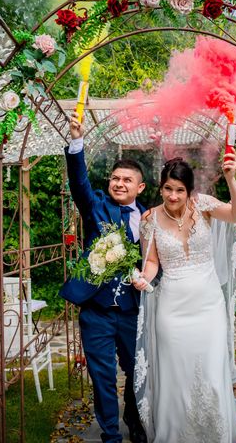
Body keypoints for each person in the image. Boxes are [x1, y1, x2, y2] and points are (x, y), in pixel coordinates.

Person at [132, 155, 236, 442]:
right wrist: (142, 278)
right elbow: (152, 262)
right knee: (177, 376)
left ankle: (215, 434)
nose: (173, 195)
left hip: (208, 307)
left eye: (180, 190)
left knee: (209, 373)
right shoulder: (149, 219)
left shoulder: (204, 206)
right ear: (160, 188)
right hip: (172, 309)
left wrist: (231, 179)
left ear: (189, 191)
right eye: (168, 188)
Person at [59, 112, 148, 443]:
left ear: (140, 187)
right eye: (115, 178)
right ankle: (110, 435)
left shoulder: (149, 217)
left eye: (126, 180)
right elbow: (80, 183)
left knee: (137, 372)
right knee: (102, 376)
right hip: (95, 310)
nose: (119, 183)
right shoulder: (96, 206)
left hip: (132, 311)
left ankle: (134, 419)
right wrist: (77, 143)